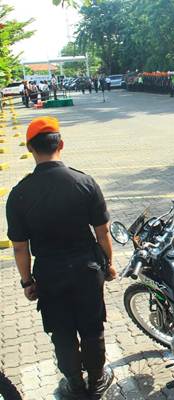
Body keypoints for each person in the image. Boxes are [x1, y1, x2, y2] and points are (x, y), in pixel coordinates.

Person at [6, 117, 116, 399]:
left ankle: (74, 385)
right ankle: (97, 380)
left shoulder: (19, 194)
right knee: (92, 327)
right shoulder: (85, 182)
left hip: (49, 274)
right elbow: (102, 233)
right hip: (87, 269)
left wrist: (27, 282)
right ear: (61, 144)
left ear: (30, 148)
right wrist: (110, 264)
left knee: (62, 332)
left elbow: (20, 248)